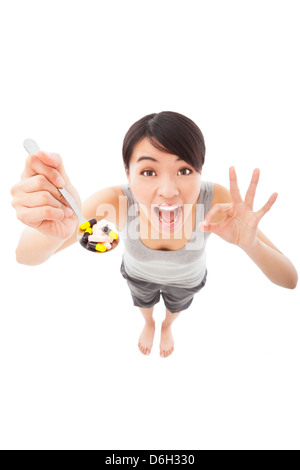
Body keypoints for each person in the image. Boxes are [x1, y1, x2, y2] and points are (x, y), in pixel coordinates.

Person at [11, 111, 298, 358]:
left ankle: (167, 326)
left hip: (188, 281)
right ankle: (149, 323)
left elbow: (289, 279)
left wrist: (251, 244)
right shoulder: (117, 202)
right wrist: (53, 231)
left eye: (184, 170)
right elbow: (24, 256)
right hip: (138, 276)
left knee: (175, 309)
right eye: (149, 171)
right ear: (128, 173)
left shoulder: (215, 201)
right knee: (144, 304)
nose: (169, 190)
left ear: (200, 172)